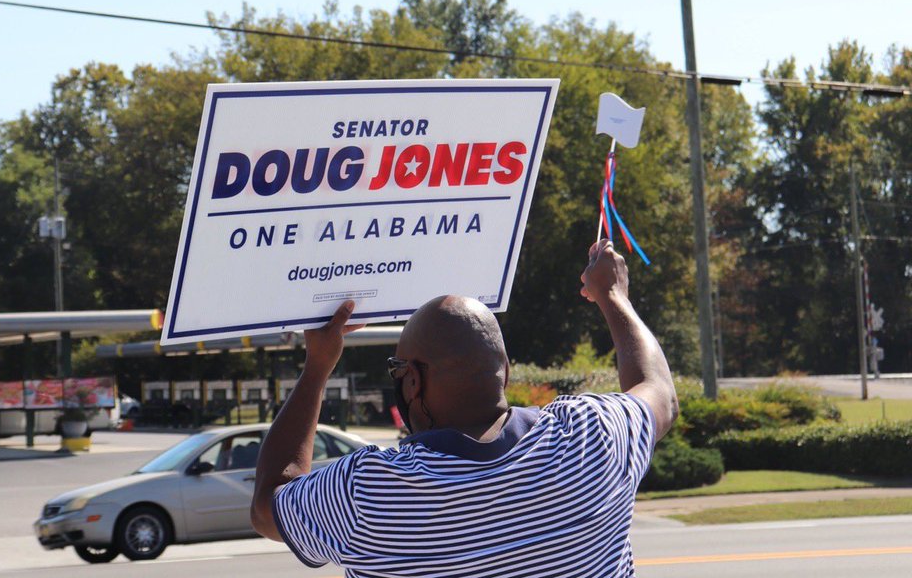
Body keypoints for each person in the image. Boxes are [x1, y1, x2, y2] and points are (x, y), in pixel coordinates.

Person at [251, 239, 679, 577]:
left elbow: (268, 505)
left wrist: (318, 367)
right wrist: (613, 297)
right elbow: (657, 390)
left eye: (398, 371)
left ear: (413, 382)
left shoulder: (369, 492)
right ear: (505, 373)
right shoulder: (590, 438)